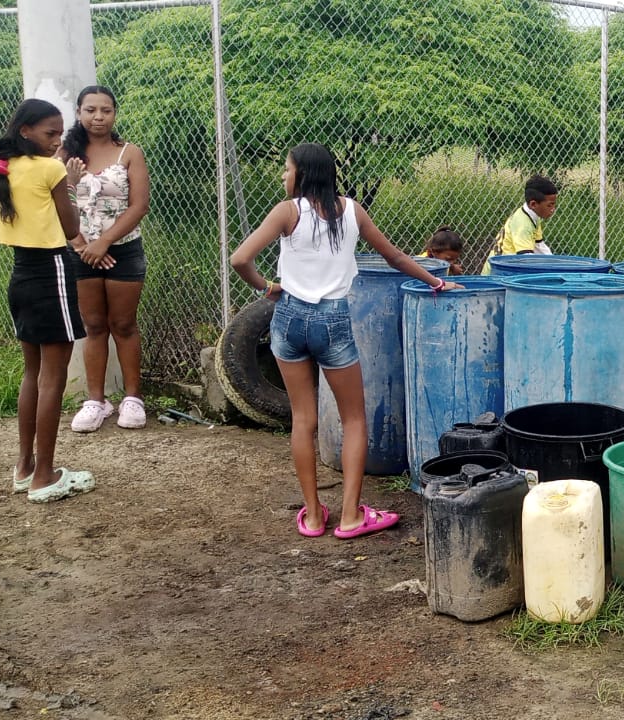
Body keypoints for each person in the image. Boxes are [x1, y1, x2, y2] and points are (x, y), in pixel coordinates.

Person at [230, 143, 459, 538]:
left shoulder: (287, 212)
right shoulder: (352, 211)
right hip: (332, 321)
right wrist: (437, 282)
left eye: (286, 169)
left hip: (289, 317)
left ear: (302, 174)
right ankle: (351, 515)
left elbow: (239, 259)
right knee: (353, 419)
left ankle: (314, 516)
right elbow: (395, 257)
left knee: (303, 419)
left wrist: (267, 287)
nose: (283, 176)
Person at [0, 99, 94, 502]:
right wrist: (70, 183)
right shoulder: (50, 169)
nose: (57, 141)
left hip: (21, 276)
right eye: (50, 133)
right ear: (25, 130)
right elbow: (70, 227)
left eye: (60, 134)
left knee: (33, 372)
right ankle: (45, 476)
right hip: (52, 272)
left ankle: (25, 467)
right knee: (53, 375)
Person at [58, 86, 152, 433]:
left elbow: (139, 205)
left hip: (123, 249)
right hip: (80, 252)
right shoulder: (64, 154)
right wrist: (82, 245)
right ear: (79, 113)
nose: (98, 117)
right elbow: (55, 202)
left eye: (106, 110)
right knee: (94, 326)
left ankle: (133, 398)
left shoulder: (129, 152)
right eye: (91, 110)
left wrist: (104, 243)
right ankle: (95, 401)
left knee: (123, 324)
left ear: (114, 113)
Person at [481, 175, 557, 273]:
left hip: (508, 270)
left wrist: (556, 266)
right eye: (550, 205)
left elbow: (539, 247)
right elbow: (526, 259)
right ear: (533, 204)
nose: (553, 209)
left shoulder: (533, 216)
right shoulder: (523, 224)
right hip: (497, 274)